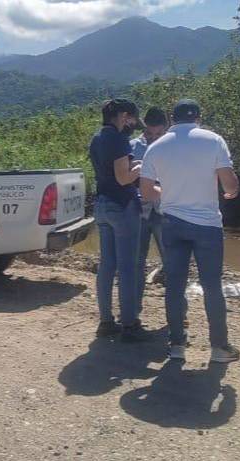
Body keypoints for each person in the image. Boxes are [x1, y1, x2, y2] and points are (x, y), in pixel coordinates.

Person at [141, 99, 240, 363]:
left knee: (175, 285)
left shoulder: (156, 146)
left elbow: (146, 192)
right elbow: (229, 184)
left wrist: (167, 192)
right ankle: (219, 348)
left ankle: (176, 345)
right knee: (212, 286)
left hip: (172, 224)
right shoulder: (214, 140)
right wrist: (231, 192)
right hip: (207, 225)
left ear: (172, 119)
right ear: (198, 117)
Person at [90, 98, 146, 342]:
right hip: (122, 206)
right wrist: (140, 167)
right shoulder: (118, 139)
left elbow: (110, 171)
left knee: (107, 266)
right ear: (124, 116)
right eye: (131, 119)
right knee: (128, 268)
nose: (132, 124)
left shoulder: (97, 138)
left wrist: (131, 166)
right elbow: (123, 178)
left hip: (102, 205)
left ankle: (106, 321)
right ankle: (130, 324)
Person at [132, 106, 173, 319]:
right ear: (144, 128)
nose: (154, 138)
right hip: (138, 211)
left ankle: (177, 313)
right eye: (150, 133)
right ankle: (132, 313)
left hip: (165, 212)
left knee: (172, 263)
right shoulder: (132, 147)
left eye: (159, 134)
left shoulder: (174, 147)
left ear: (166, 129)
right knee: (136, 263)